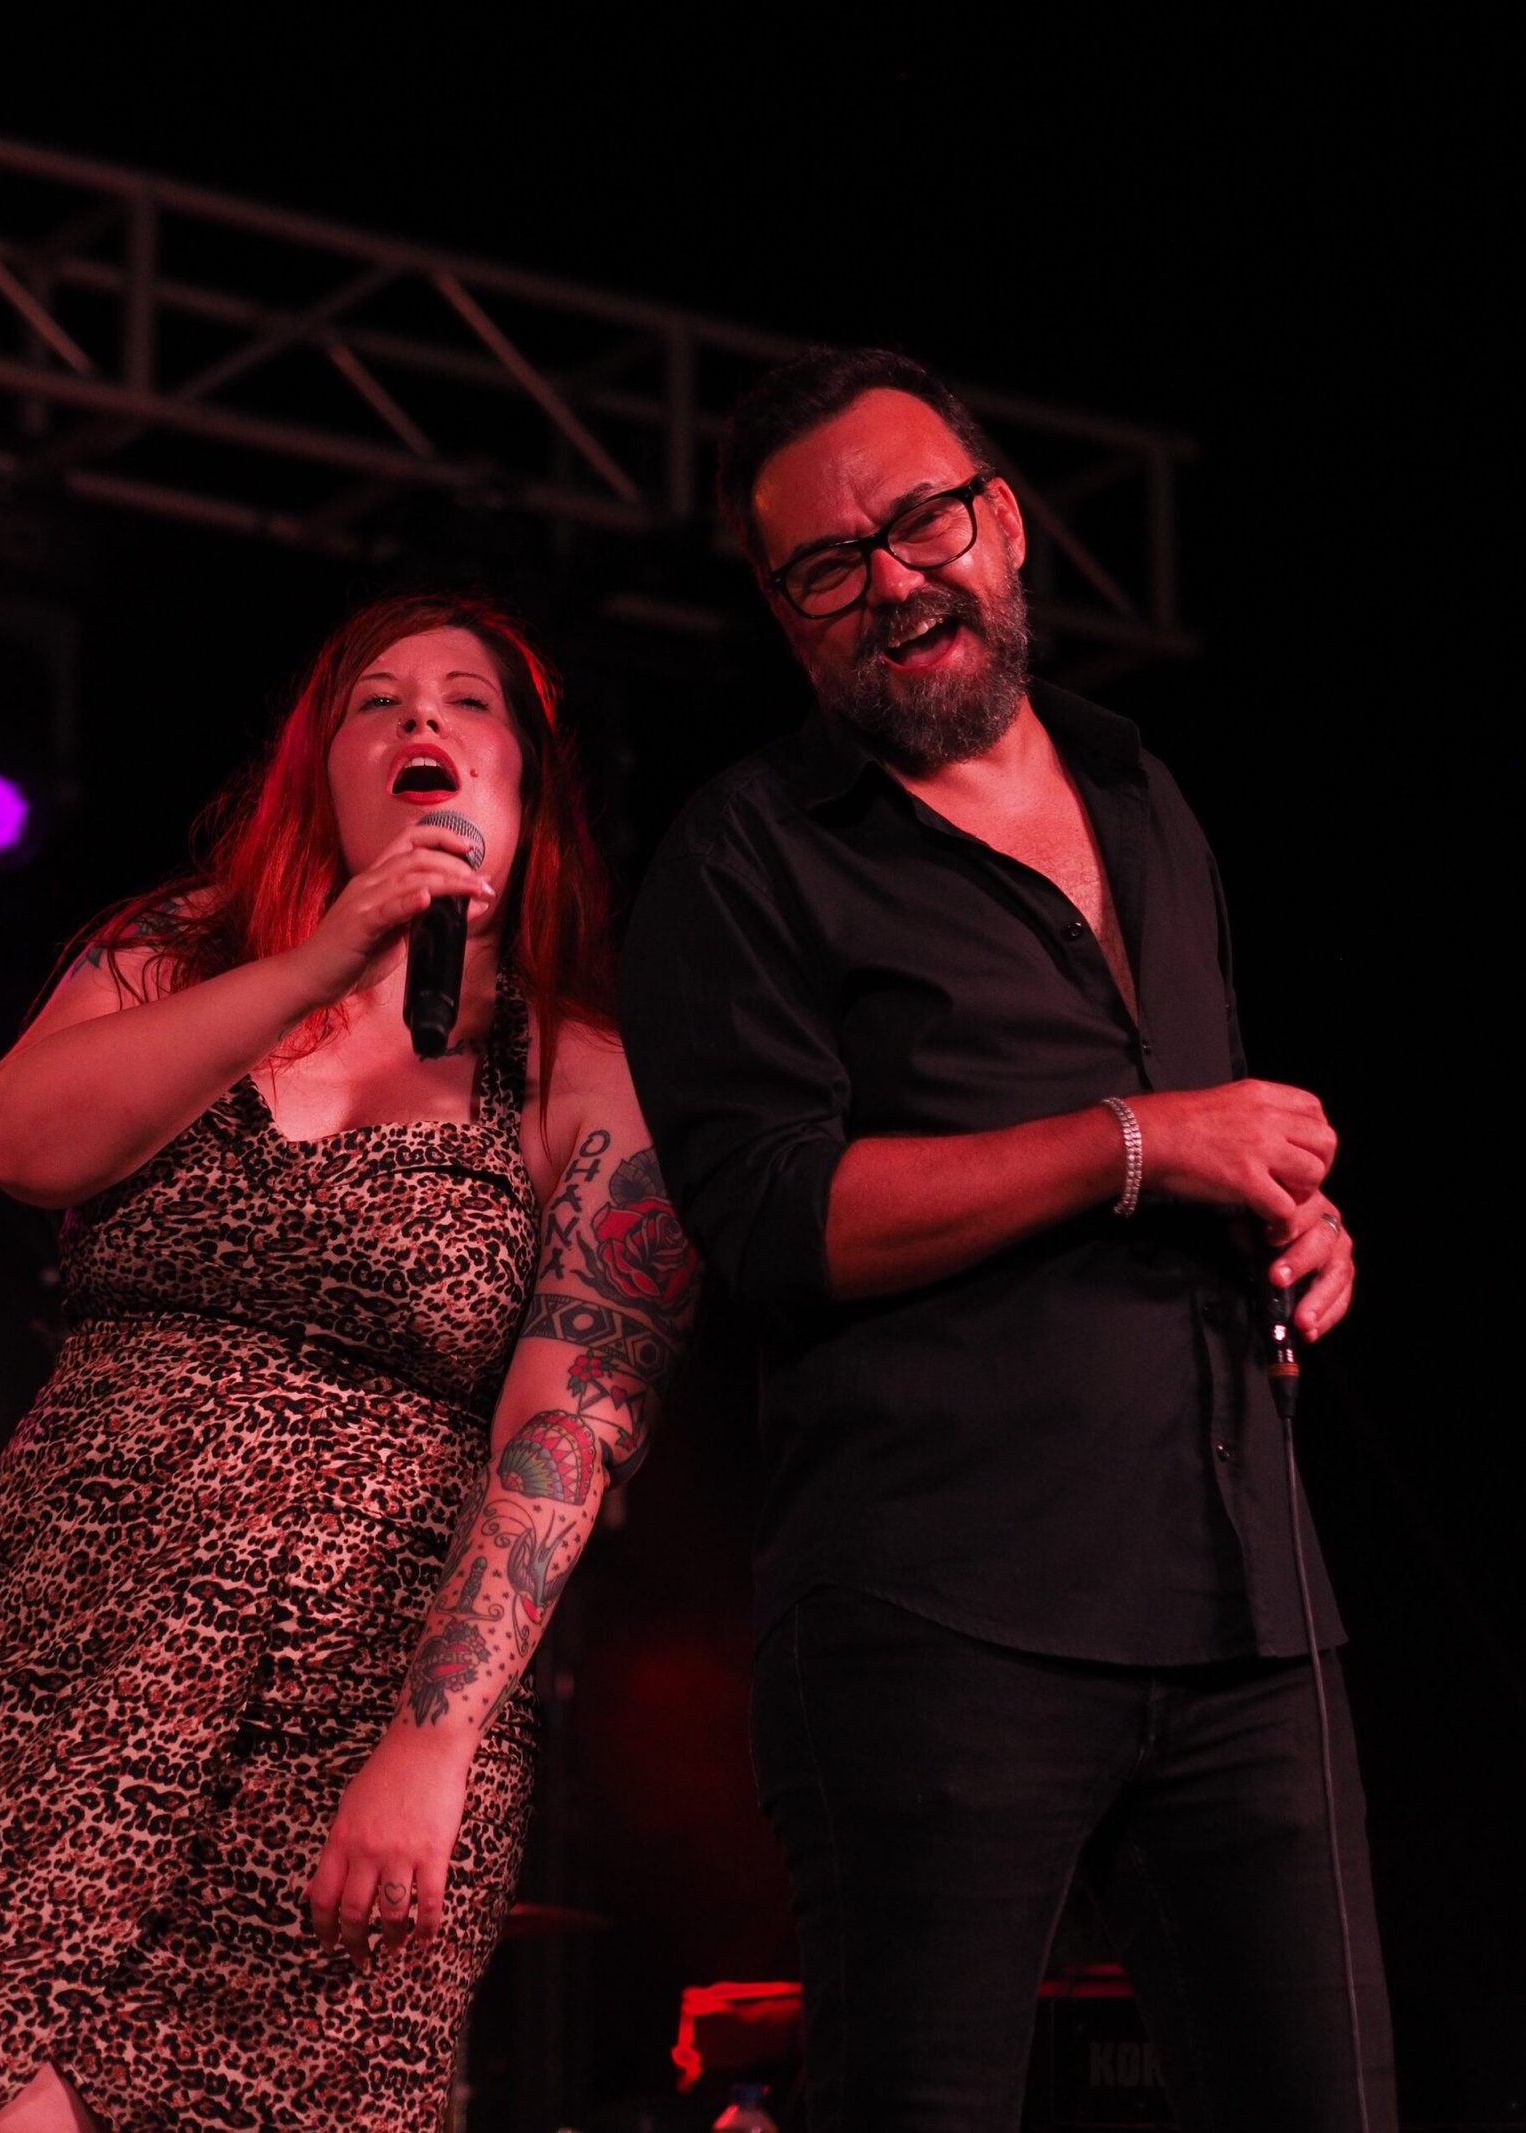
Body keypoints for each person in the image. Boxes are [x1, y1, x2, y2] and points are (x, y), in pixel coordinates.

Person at [618, 349, 1396, 2133]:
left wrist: (1296, 1216)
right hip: (938, 1621)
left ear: (1008, 524)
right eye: (831, 565)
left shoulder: (1144, 792)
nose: (894, 580)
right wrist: (1138, 1142)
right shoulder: (747, 855)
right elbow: (771, 1216)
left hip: (1245, 1608)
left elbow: (1207, 1137)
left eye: (921, 522)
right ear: (785, 614)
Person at [0, 591, 696, 2133]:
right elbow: (22, 1140)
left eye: (467, 699)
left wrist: (433, 1738)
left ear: (528, 782)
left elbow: (568, 1426)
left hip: (355, 1707)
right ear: (324, 769)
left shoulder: (585, 1080)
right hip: (60, 1650)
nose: (420, 717)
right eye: (378, 700)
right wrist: (320, 961)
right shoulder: (175, 959)